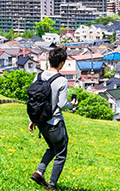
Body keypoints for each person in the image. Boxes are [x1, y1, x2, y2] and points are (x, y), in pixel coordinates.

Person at [28, 47, 78, 190]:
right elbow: (62, 104)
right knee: (61, 153)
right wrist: (72, 104)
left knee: (52, 148)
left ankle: (39, 172)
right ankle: (51, 185)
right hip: (55, 123)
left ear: (49, 60)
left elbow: (34, 100)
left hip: (41, 123)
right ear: (62, 63)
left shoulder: (38, 76)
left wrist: (32, 120)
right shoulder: (61, 80)